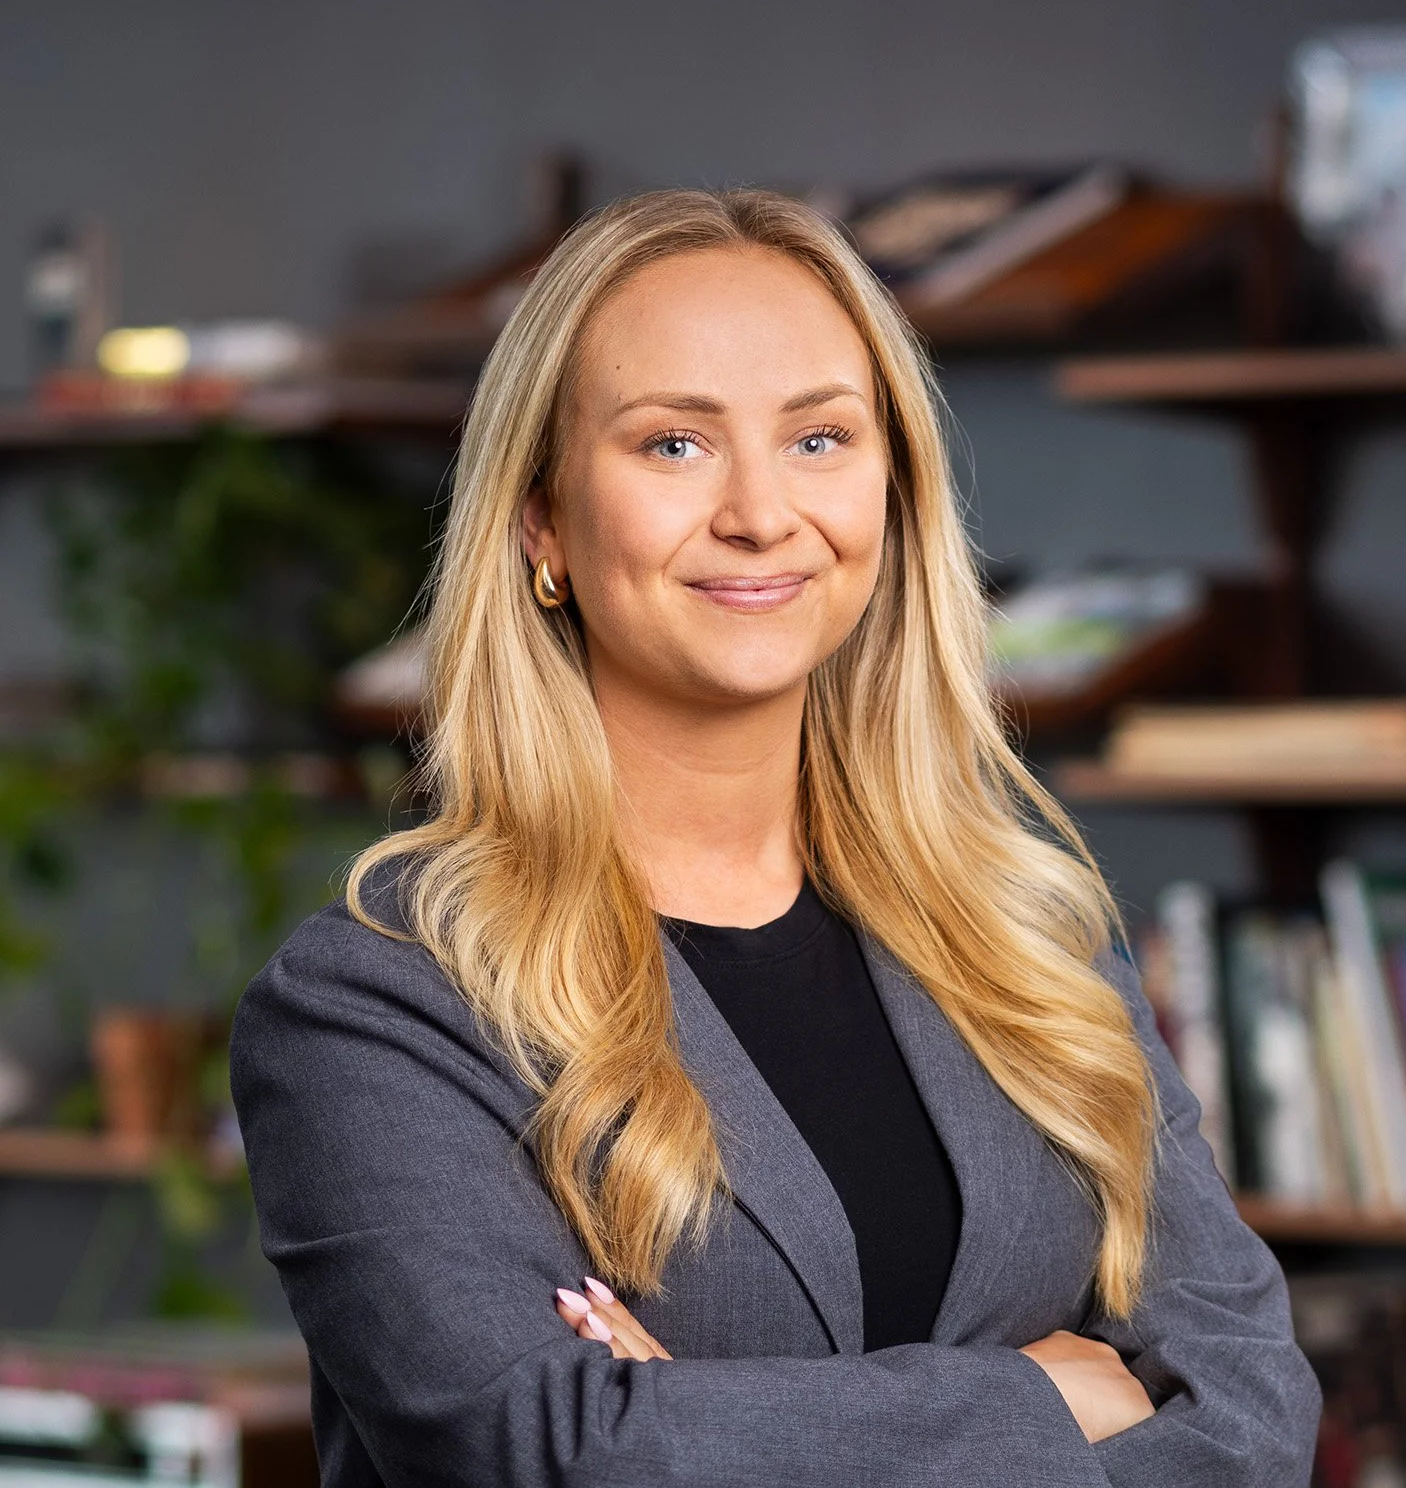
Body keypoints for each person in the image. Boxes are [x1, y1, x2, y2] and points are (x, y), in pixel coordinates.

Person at [230, 188, 1320, 1487]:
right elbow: (543, 1455)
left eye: (819, 438)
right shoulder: (382, 1001)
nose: (760, 511)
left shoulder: (1031, 936)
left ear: (890, 493)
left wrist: (708, 1425)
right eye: (674, 446)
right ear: (543, 523)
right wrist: (1042, 1395)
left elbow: (1248, 1411)